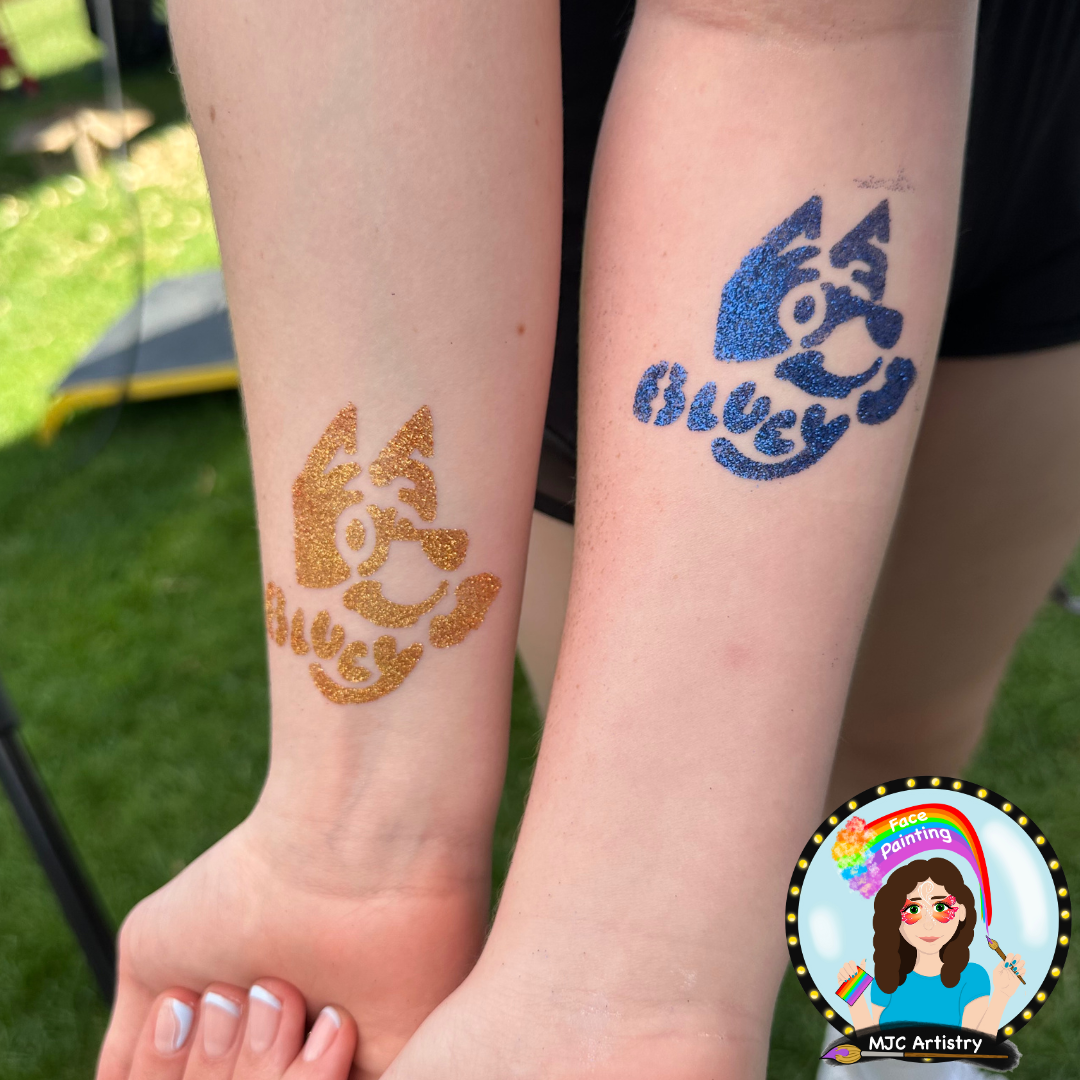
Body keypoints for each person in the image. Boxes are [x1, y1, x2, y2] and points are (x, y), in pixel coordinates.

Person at [96, 2, 1080, 1079]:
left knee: (905, 740)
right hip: (542, 158)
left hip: (1042, 107)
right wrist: (358, 836)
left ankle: (914, 1031)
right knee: (613, 747)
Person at [837, 858, 1024, 1034]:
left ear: (962, 912)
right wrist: (855, 995)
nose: (928, 924)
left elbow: (974, 1047)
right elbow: (871, 1046)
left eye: (940, 908)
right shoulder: (887, 976)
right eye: (913, 910)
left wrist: (1002, 995)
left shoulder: (973, 978)